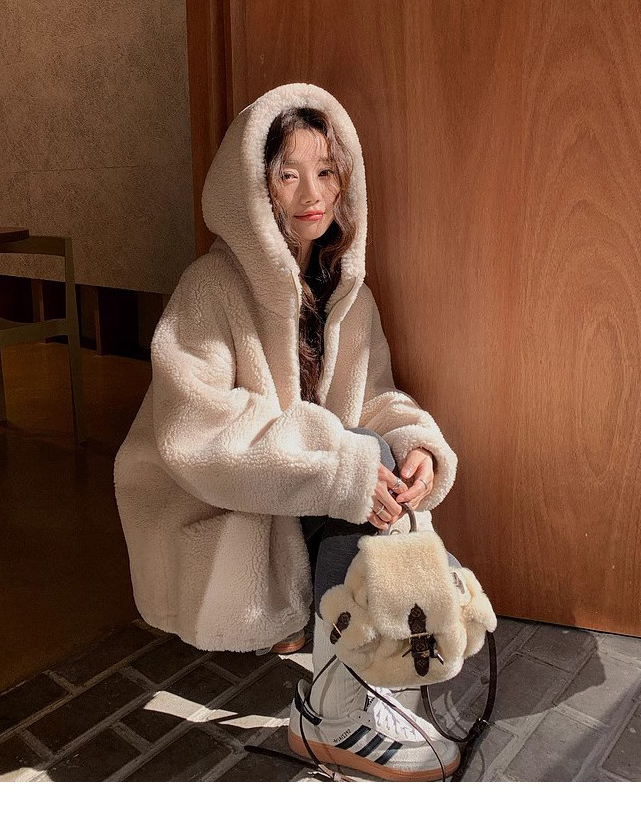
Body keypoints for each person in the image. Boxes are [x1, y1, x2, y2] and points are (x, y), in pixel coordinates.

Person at [114, 83, 461, 780]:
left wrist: (416, 446)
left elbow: (374, 398)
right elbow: (197, 433)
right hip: (212, 504)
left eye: (326, 171)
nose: (312, 193)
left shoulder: (348, 296)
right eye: (287, 173)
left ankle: (369, 683)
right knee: (356, 464)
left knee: (375, 456)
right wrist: (339, 469)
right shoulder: (209, 287)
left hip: (288, 496)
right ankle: (335, 713)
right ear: (255, 183)